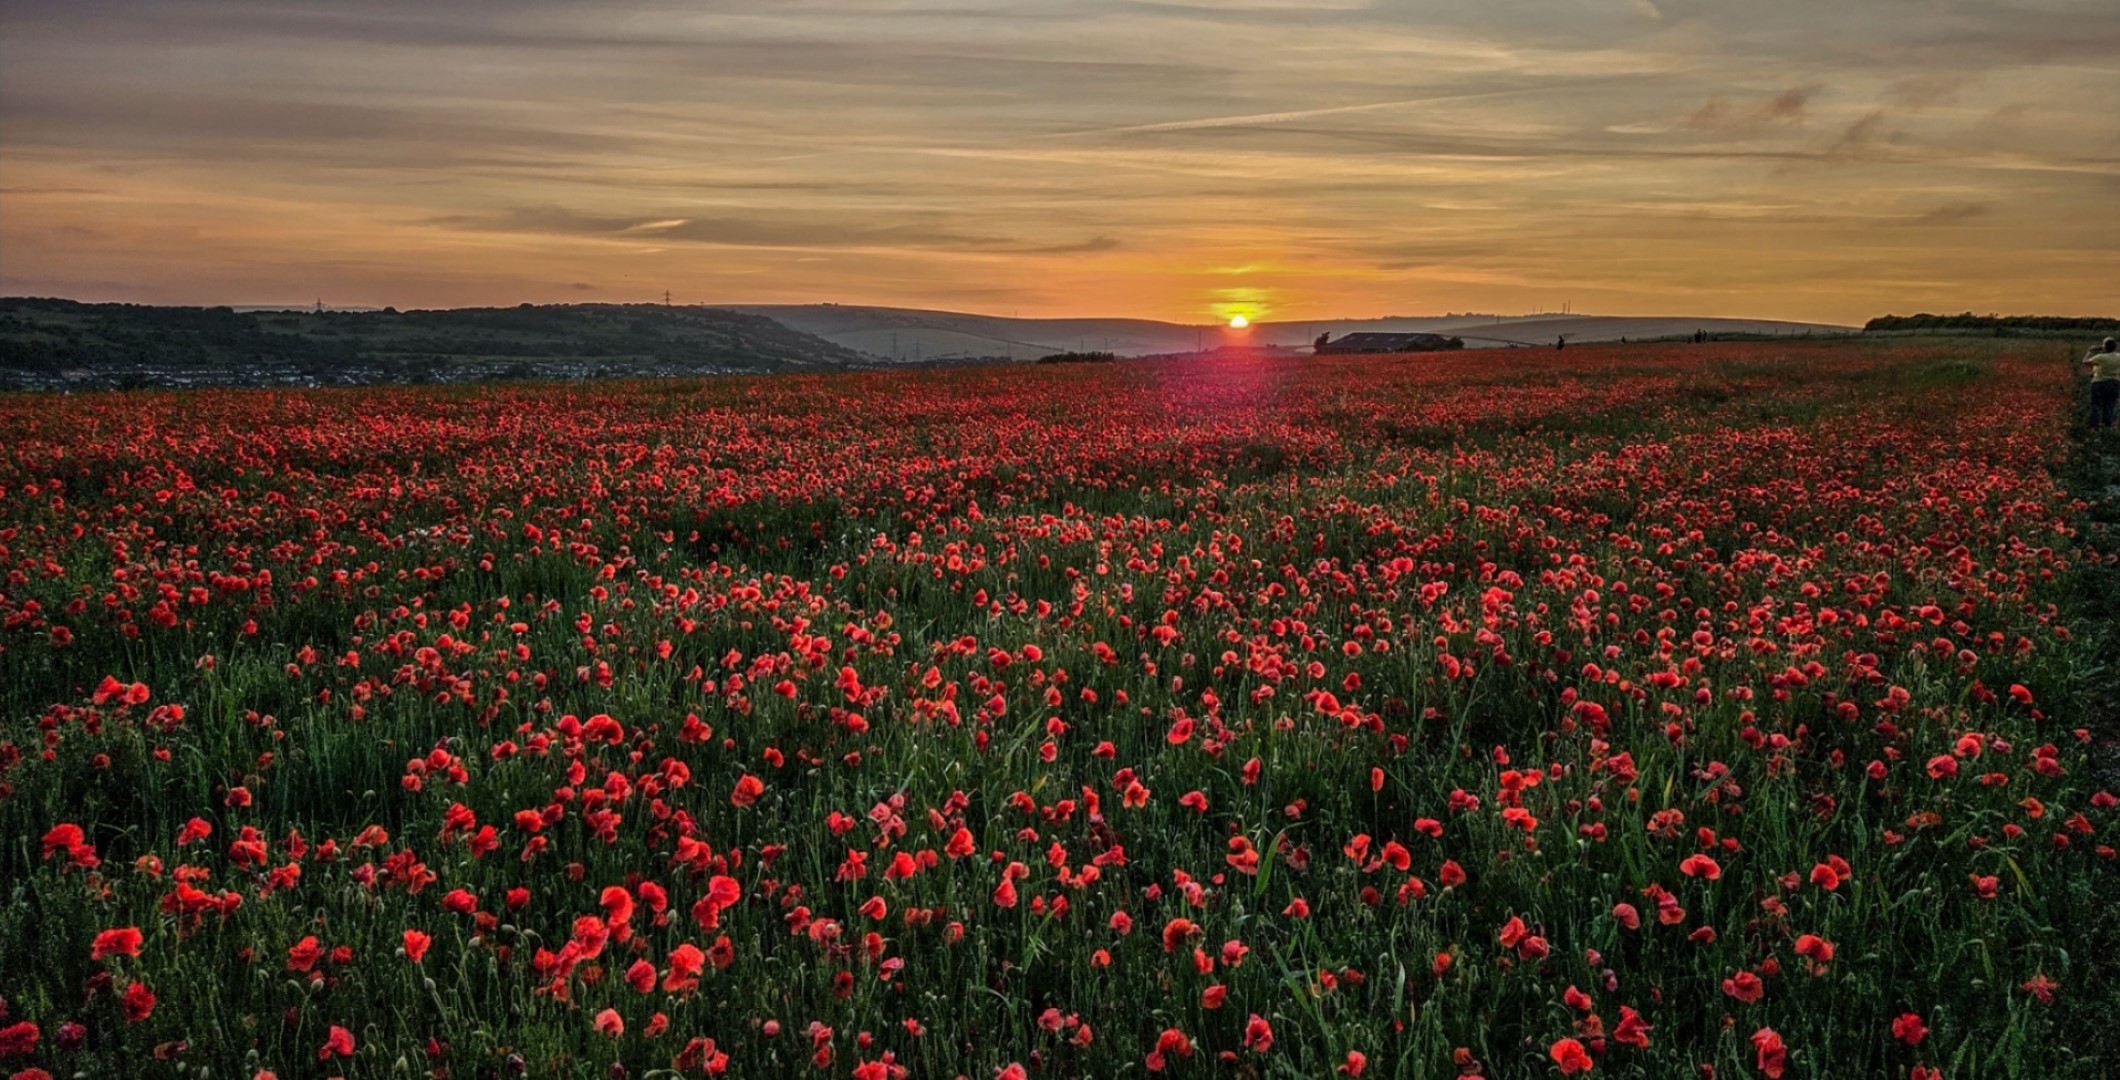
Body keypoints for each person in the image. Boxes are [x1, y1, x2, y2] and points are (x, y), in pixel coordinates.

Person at [2085, 337, 2120, 430]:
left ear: (2105, 347)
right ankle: (2107, 425)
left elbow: (2085, 362)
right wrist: (2093, 373)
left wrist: (2090, 351)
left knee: (2096, 404)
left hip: (2099, 383)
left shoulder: (2100, 357)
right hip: (2114, 383)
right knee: (2110, 404)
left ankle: (2095, 426)